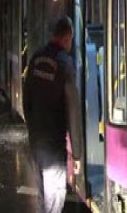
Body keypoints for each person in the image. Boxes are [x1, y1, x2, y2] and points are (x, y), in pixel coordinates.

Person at [23, 16, 84, 213]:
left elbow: (26, 100)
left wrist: (32, 129)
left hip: (36, 142)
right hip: (53, 147)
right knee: (55, 199)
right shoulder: (65, 64)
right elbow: (73, 111)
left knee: (42, 197)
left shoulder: (36, 57)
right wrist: (77, 154)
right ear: (68, 37)